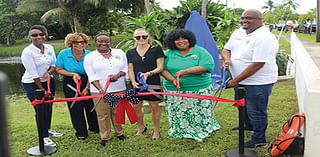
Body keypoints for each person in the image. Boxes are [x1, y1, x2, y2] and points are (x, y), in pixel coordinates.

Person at [221, 9, 278, 148]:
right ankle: (247, 125)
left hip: (258, 82)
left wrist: (234, 81)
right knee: (241, 105)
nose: (244, 21)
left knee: (256, 109)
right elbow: (226, 49)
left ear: (260, 20)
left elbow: (258, 64)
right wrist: (227, 60)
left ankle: (259, 139)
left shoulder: (265, 37)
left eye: (249, 18)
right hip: (240, 80)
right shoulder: (238, 32)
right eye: (242, 18)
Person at [161, 29, 220, 142]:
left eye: (184, 38)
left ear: (190, 39)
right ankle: (180, 129)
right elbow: (162, 69)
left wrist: (186, 71)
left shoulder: (200, 52)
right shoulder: (167, 54)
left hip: (198, 89)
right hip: (174, 90)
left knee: (199, 112)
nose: (181, 41)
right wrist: (173, 80)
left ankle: (201, 129)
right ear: (172, 42)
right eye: (177, 39)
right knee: (178, 111)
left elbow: (207, 67)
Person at [21, 25, 62, 147]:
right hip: (33, 83)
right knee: (40, 109)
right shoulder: (27, 52)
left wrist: (49, 73)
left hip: (49, 81)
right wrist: (42, 89)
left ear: (45, 35)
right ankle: (43, 136)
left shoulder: (49, 47)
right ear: (30, 37)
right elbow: (33, 74)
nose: (38, 37)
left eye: (41, 34)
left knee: (48, 107)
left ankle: (47, 130)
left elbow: (54, 64)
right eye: (34, 35)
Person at [84, 33, 127, 146]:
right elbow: (91, 75)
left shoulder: (119, 53)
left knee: (117, 112)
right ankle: (105, 136)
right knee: (103, 114)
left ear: (110, 42)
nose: (103, 44)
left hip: (119, 89)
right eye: (100, 41)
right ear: (95, 42)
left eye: (106, 41)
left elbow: (125, 69)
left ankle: (119, 132)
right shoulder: (90, 57)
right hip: (99, 91)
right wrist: (100, 89)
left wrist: (117, 75)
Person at [55, 33, 99, 140]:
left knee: (91, 105)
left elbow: (92, 72)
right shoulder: (63, 53)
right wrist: (73, 74)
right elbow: (58, 69)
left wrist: (87, 87)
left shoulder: (90, 54)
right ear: (71, 43)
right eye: (76, 42)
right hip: (70, 81)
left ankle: (94, 127)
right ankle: (81, 132)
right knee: (75, 107)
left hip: (88, 80)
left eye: (82, 42)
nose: (79, 44)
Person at [126, 28, 165, 140]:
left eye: (144, 36)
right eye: (138, 37)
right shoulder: (130, 52)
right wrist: (133, 81)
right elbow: (130, 69)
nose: (141, 39)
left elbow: (160, 67)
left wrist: (148, 73)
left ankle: (156, 131)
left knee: (154, 106)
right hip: (136, 84)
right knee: (136, 106)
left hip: (152, 82)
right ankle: (141, 127)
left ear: (148, 36)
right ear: (134, 38)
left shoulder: (156, 49)